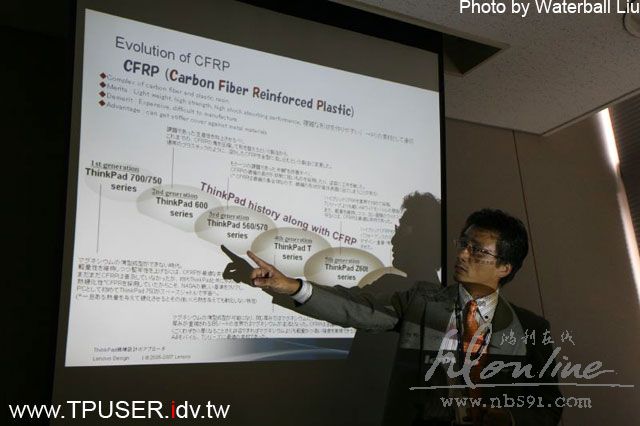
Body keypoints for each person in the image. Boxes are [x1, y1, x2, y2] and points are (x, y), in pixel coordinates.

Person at [244, 207, 562, 426]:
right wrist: (293, 287)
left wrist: (510, 419)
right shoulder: (422, 301)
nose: (462, 254)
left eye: (477, 250)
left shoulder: (532, 327)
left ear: (505, 267)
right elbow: (358, 309)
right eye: (463, 243)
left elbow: (549, 405)